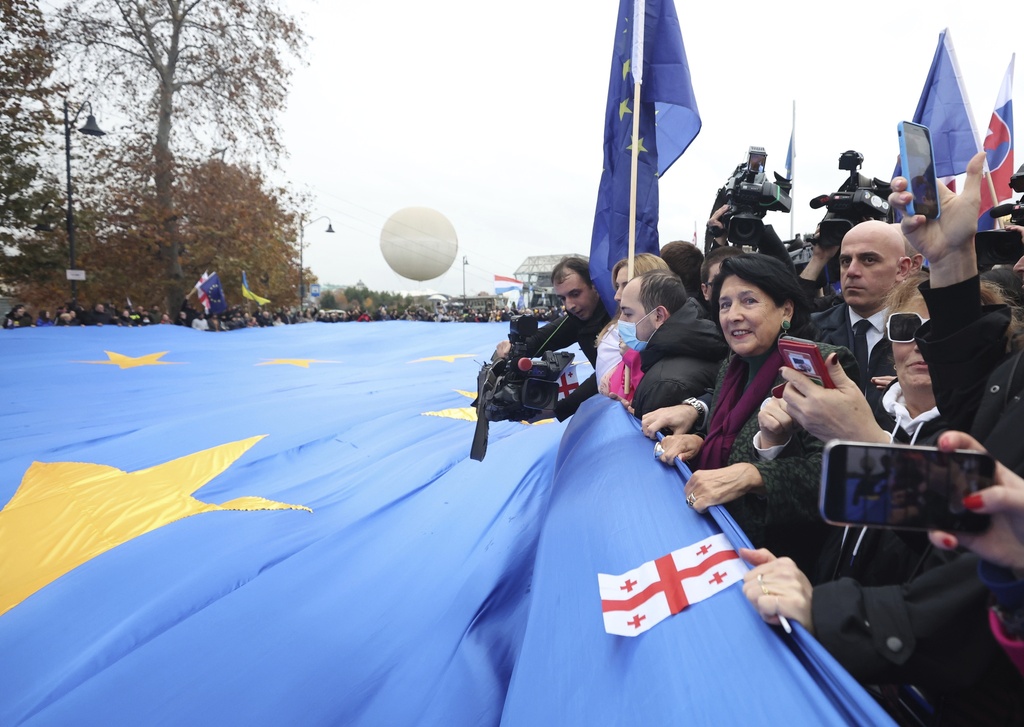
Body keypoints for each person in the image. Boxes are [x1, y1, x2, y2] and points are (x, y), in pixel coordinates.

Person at [659, 253, 859, 573]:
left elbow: (835, 476)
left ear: (786, 310)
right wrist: (698, 442)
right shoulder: (732, 365)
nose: (733, 315)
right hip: (717, 535)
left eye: (748, 301)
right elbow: (728, 439)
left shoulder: (820, 367)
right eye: (724, 305)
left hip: (779, 562)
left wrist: (754, 476)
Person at [493, 256, 610, 421]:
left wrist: (559, 409)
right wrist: (512, 348)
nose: (569, 305)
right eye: (563, 298)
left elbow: (606, 375)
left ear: (595, 287)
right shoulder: (576, 318)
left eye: (575, 294)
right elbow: (540, 340)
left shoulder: (617, 318)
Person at [811, 220, 914, 410]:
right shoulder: (812, 331)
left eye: (868, 260)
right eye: (845, 261)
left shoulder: (925, 335)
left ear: (902, 269)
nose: (851, 272)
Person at [615, 269, 727, 418]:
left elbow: (654, 437)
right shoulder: (695, 343)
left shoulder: (664, 383)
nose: (621, 321)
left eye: (628, 313)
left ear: (658, 316)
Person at [594, 253, 669, 390]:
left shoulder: (672, 343)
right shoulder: (616, 330)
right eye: (617, 286)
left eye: (626, 285)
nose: (617, 296)